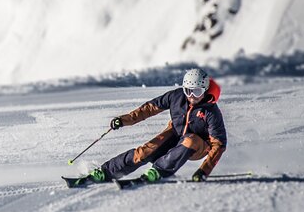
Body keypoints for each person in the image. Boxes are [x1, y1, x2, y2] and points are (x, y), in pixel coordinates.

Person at [89, 68, 227, 183]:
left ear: (205, 90)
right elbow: (149, 108)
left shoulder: (211, 111)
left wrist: (203, 171)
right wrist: (124, 120)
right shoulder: (176, 97)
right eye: (188, 91)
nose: (191, 96)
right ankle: (106, 172)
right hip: (176, 136)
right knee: (145, 151)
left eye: (196, 92)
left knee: (190, 140)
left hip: (198, 147)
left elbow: (219, 144)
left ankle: (159, 171)